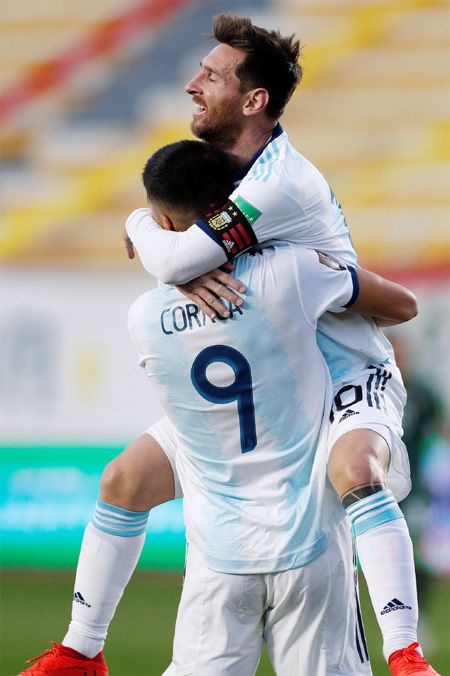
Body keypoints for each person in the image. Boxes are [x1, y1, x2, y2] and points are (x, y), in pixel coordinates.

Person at [20, 13, 438, 676]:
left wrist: (151, 232)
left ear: (253, 101)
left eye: (211, 77)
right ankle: (79, 650)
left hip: (342, 378)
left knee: (354, 470)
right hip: (271, 375)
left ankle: (406, 651)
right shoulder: (221, 171)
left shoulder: (279, 183)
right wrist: (166, 237)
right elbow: (178, 243)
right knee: (123, 478)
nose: (192, 85)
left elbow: (172, 255)